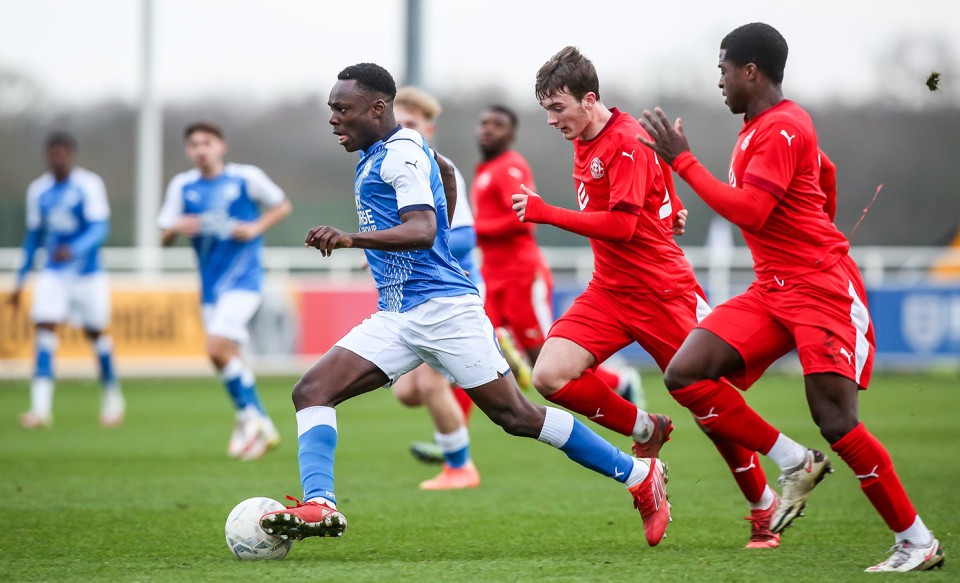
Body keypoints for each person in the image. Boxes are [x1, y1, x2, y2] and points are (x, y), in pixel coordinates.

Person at [259, 63, 670, 547]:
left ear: (377, 108)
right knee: (312, 391)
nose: (333, 119)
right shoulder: (389, 151)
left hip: (445, 312)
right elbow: (446, 174)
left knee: (516, 416)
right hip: (398, 315)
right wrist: (445, 207)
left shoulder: (399, 156)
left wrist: (351, 238)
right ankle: (321, 504)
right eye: (332, 109)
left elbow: (422, 229)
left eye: (341, 109)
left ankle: (639, 475)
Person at [638, 22, 943, 572]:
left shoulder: (782, 127)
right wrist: (811, 225)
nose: (720, 82)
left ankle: (916, 542)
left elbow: (752, 211)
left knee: (836, 421)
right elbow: (825, 172)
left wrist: (682, 161)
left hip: (820, 290)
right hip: (774, 289)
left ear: (750, 71)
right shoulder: (762, 128)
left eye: (724, 70)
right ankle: (793, 460)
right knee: (687, 371)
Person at [512, 46, 824, 549]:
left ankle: (764, 500)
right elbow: (656, 176)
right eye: (546, 109)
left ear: (589, 100)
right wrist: (673, 204)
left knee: (710, 407)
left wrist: (546, 213)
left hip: (663, 292)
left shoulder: (626, 140)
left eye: (558, 108)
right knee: (549, 375)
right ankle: (646, 427)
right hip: (610, 290)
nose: (551, 120)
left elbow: (622, 223)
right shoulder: (589, 132)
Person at [471, 104, 643, 403]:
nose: (487, 129)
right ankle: (453, 443)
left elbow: (521, 217)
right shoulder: (485, 171)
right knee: (477, 346)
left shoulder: (510, 166)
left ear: (511, 134)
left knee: (544, 358)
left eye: (497, 124)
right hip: (493, 275)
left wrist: (474, 229)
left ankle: (620, 381)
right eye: (484, 122)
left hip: (521, 275)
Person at [158, 121, 292, 461]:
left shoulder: (245, 178)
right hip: (210, 286)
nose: (201, 149)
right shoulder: (182, 186)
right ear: (188, 151)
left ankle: (252, 420)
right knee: (229, 358)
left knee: (216, 348)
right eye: (194, 144)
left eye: (207, 142)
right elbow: (163, 236)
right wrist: (176, 227)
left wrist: (255, 228)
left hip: (244, 281)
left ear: (222, 146)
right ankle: (259, 426)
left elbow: (282, 205)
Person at [390, 85, 481, 489]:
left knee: (429, 383)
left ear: (428, 130)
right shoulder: (391, 169)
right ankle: (490, 360)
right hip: (415, 297)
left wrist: (407, 246)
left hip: (451, 293)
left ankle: (459, 468)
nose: (401, 131)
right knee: (407, 392)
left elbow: (463, 239)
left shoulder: (438, 168)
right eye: (397, 123)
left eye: (410, 124)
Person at [10, 131, 124, 429]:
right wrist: (20, 278)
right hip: (53, 274)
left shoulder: (88, 184)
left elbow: (100, 228)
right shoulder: (39, 191)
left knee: (96, 334)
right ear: (47, 157)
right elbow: (34, 237)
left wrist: (74, 249)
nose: (57, 159)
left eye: (62, 154)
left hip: (88, 274)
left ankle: (113, 399)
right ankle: (40, 408)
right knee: (45, 330)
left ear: (70, 155)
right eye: (52, 154)